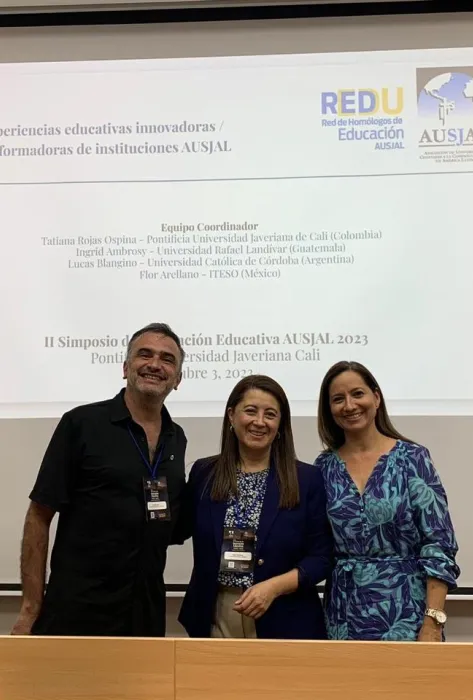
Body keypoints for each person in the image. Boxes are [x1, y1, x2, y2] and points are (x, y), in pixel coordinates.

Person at [11, 322, 187, 637]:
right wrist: (29, 608)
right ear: (125, 367)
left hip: (145, 614)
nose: (155, 364)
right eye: (144, 354)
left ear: (178, 379)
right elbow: (39, 515)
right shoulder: (81, 424)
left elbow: (171, 521)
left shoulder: (176, 437)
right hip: (78, 610)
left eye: (167, 359)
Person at [178, 374, 333, 639]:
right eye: (250, 411)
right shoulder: (204, 473)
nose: (260, 422)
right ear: (231, 415)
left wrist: (273, 588)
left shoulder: (307, 479)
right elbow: (179, 528)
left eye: (270, 414)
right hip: (214, 614)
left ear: (280, 424)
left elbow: (322, 557)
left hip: (283, 615)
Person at [315, 360, 460, 642]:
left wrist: (433, 621)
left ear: (376, 398)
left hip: (408, 615)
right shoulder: (323, 468)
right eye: (338, 399)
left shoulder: (413, 459)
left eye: (358, 394)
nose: (349, 405)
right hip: (342, 618)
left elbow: (439, 544)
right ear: (329, 409)